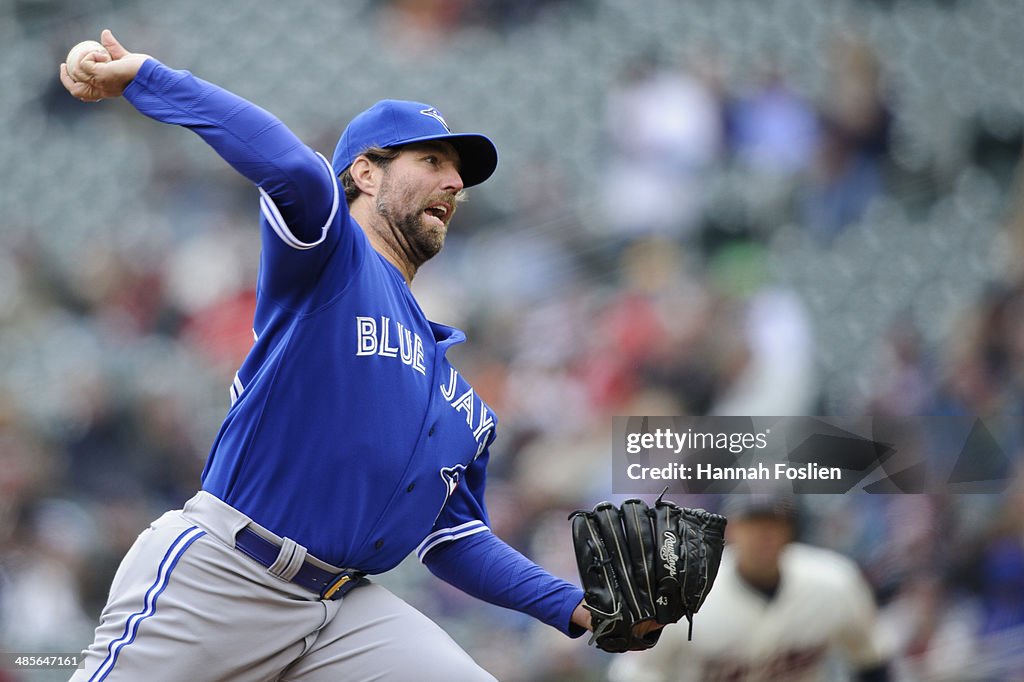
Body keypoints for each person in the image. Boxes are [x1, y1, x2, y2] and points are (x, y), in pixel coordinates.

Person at [60, 30, 594, 681]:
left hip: (344, 613)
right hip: (227, 578)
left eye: (459, 175)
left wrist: (579, 608)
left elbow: (454, 541)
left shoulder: (460, 401)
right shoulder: (330, 262)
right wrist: (147, 78)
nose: (454, 182)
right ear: (365, 173)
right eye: (430, 160)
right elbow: (292, 170)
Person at [608, 494, 892, 682]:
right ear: (728, 531)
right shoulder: (680, 593)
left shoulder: (833, 581)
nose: (764, 535)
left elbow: (872, 661)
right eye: (752, 524)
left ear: (790, 529)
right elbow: (634, 674)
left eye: (774, 523)